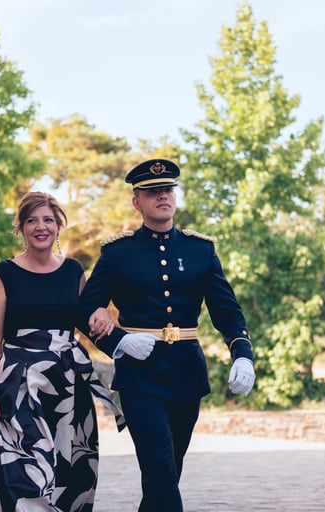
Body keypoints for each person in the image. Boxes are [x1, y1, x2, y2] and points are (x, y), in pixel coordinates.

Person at [79, 158, 256, 512]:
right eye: (153, 192)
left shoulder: (200, 250)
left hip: (187, 373)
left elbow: (227, 311)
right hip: (140, 376)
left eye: (168, 190)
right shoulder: (117, 253)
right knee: (160, 468)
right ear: (137, 202)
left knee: (167, 473)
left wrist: (243, 355)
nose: (163, 196)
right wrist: (118, 342)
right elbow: (84, 310)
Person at [0, 191, 124, 512]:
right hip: (19, 385)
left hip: (68, 385)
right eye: (32, 220)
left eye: (48, 220)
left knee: (72, 472)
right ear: (21, 228)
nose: (40, 226)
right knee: (23, 471)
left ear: (59, 226)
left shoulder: (73, 271)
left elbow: (88, 321)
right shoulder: (4, 274)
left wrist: (103, 312)